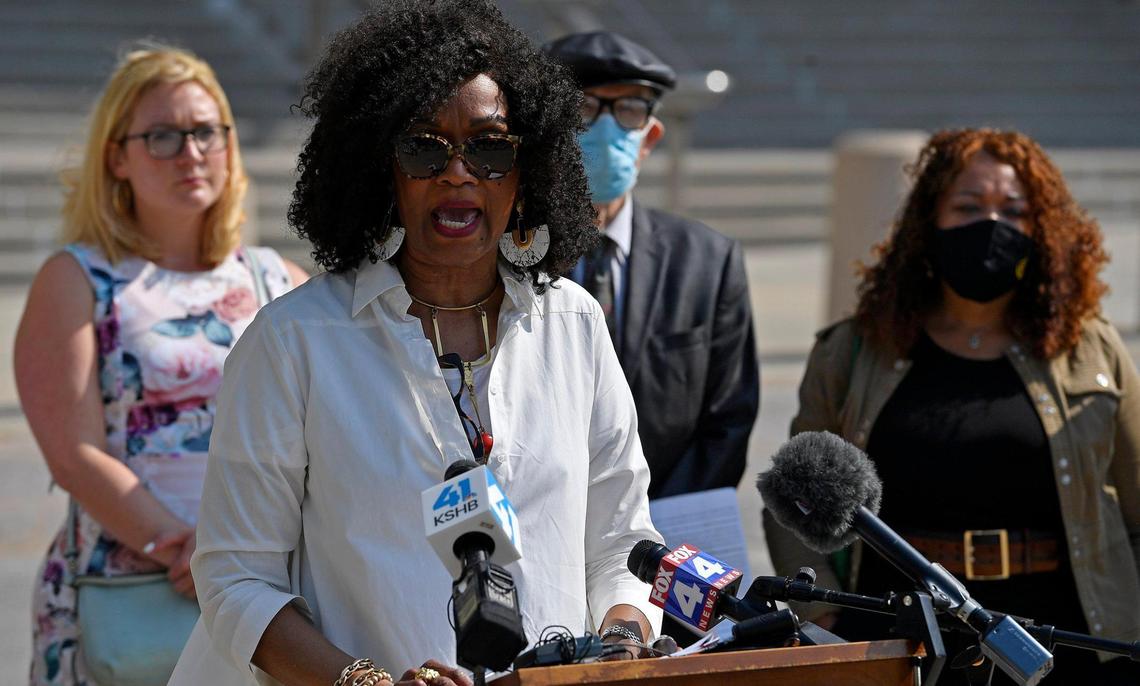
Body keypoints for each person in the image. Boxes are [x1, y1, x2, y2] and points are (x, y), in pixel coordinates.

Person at [172, 4, 663, 686]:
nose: (458, 173)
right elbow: (234, 578)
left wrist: (618, 644)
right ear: (380, 168)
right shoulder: (292, 344)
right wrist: (365, 683)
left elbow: (624, 540)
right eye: (425, 147)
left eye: (490, 148)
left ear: (528, 174)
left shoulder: (573, 323)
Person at [764, 129, 1140, 684]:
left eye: (1014, 210)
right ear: (927, 224)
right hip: (899, 638)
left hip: (1065, 638)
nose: (992, 226)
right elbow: (793, 499)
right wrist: (827, 615)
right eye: (968, 206)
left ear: (1043, 231)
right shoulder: (852, 350)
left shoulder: (1092, 347)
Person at [15, 45, 307, 685]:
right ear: (116, 156)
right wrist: (185, 548)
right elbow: (73, 455)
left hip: (259, 592)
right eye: (164, 135)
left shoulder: (276, 279)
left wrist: (228, 560)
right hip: (128, 587)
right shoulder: (77, 278)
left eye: (206, 131)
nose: (191, 152)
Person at [543, 31, 760, 501]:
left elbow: (727, 420)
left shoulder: (707, 262)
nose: (605, 128)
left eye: (629, 110)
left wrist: (646, 540)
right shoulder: (499, 252)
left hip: (660, 538)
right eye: (582, 108)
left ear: (650, 137)